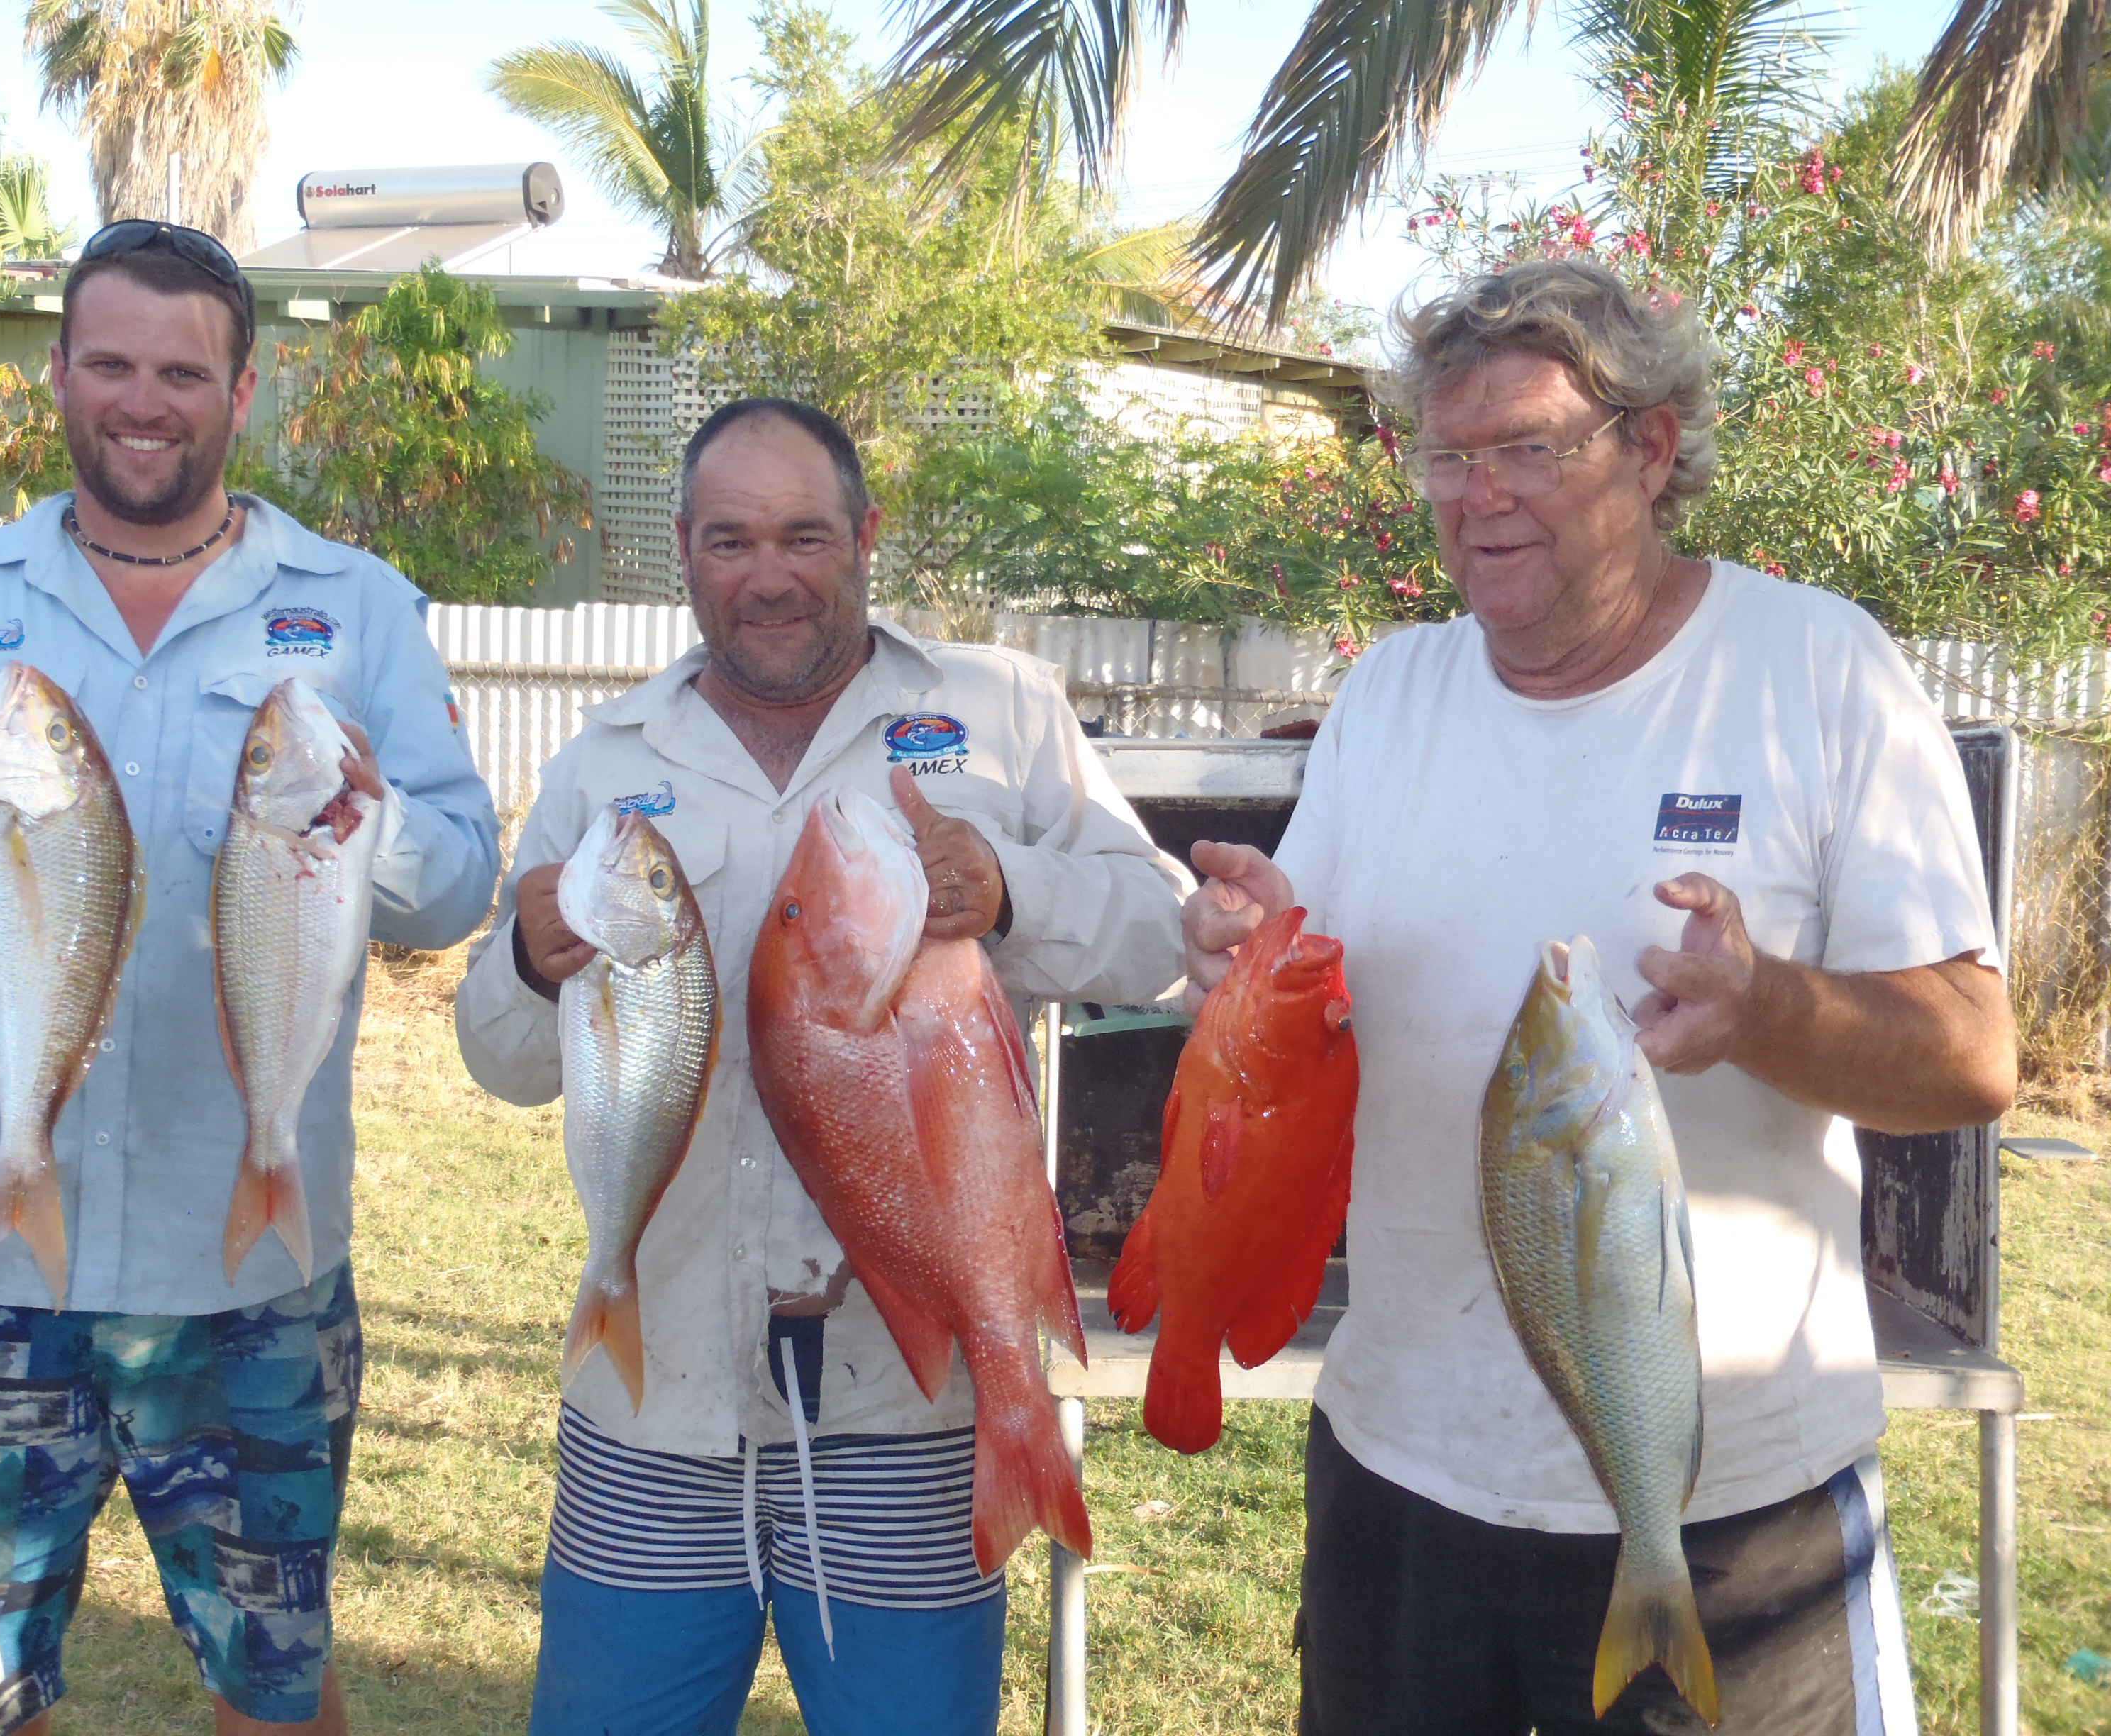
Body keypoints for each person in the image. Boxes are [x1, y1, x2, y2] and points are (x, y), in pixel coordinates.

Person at [1182, 259, 2018, 1736]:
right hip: (1402, 1469)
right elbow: (1310, 984)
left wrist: (1769, 1011)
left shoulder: (1816, 669)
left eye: (1527, 446)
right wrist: (1244, 949)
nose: (1476, 494)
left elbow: (1973, 1055)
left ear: (1650, 447)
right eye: (1448, 456)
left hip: (1730, 1504)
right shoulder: (1392, 694)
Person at [0, 221, 501, 1736]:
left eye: (183, 373)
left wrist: (360, 826)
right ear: (59, 372)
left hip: (248, 1271)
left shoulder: (358, 606)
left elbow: (458, 882)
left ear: (242, 392)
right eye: (109, 363)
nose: (143, 401)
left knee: (274, 1680)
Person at [453, 396, 1187, 1736]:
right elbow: (501, 1064)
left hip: (909, 1412)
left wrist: (1012, 890)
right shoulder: (606, 760)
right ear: (683, 548)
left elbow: (1166, 936)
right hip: (655, 1405)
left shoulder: (1000, 709)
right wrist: (526, 960)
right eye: (730, 540)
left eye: (804, 536)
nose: (769, 575)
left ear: (865, 535)